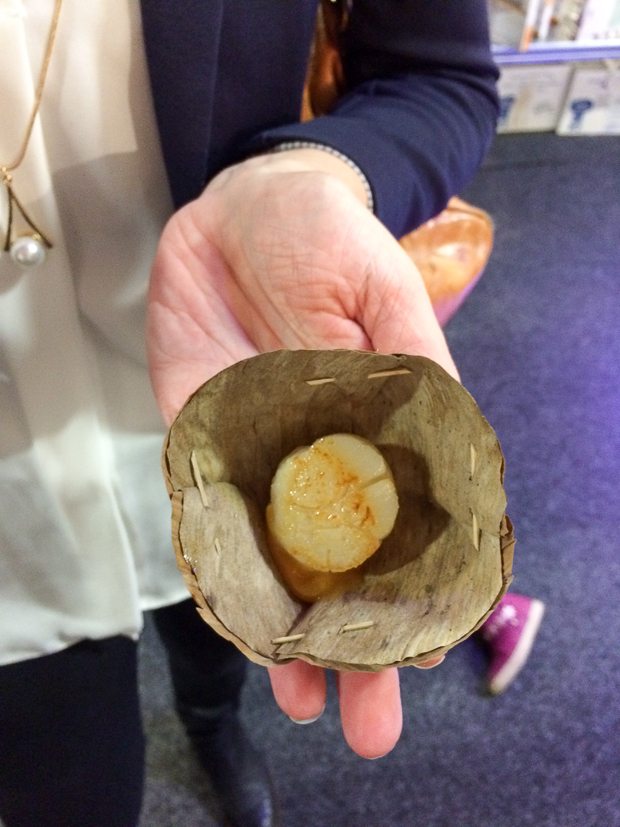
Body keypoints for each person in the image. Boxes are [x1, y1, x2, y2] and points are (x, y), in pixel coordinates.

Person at [0, 2, 543, 826]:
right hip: (16, 489)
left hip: (222, 351)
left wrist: (309, 173)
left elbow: (439, 73)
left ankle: (213, 725)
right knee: (65, 771)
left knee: (219, 620)